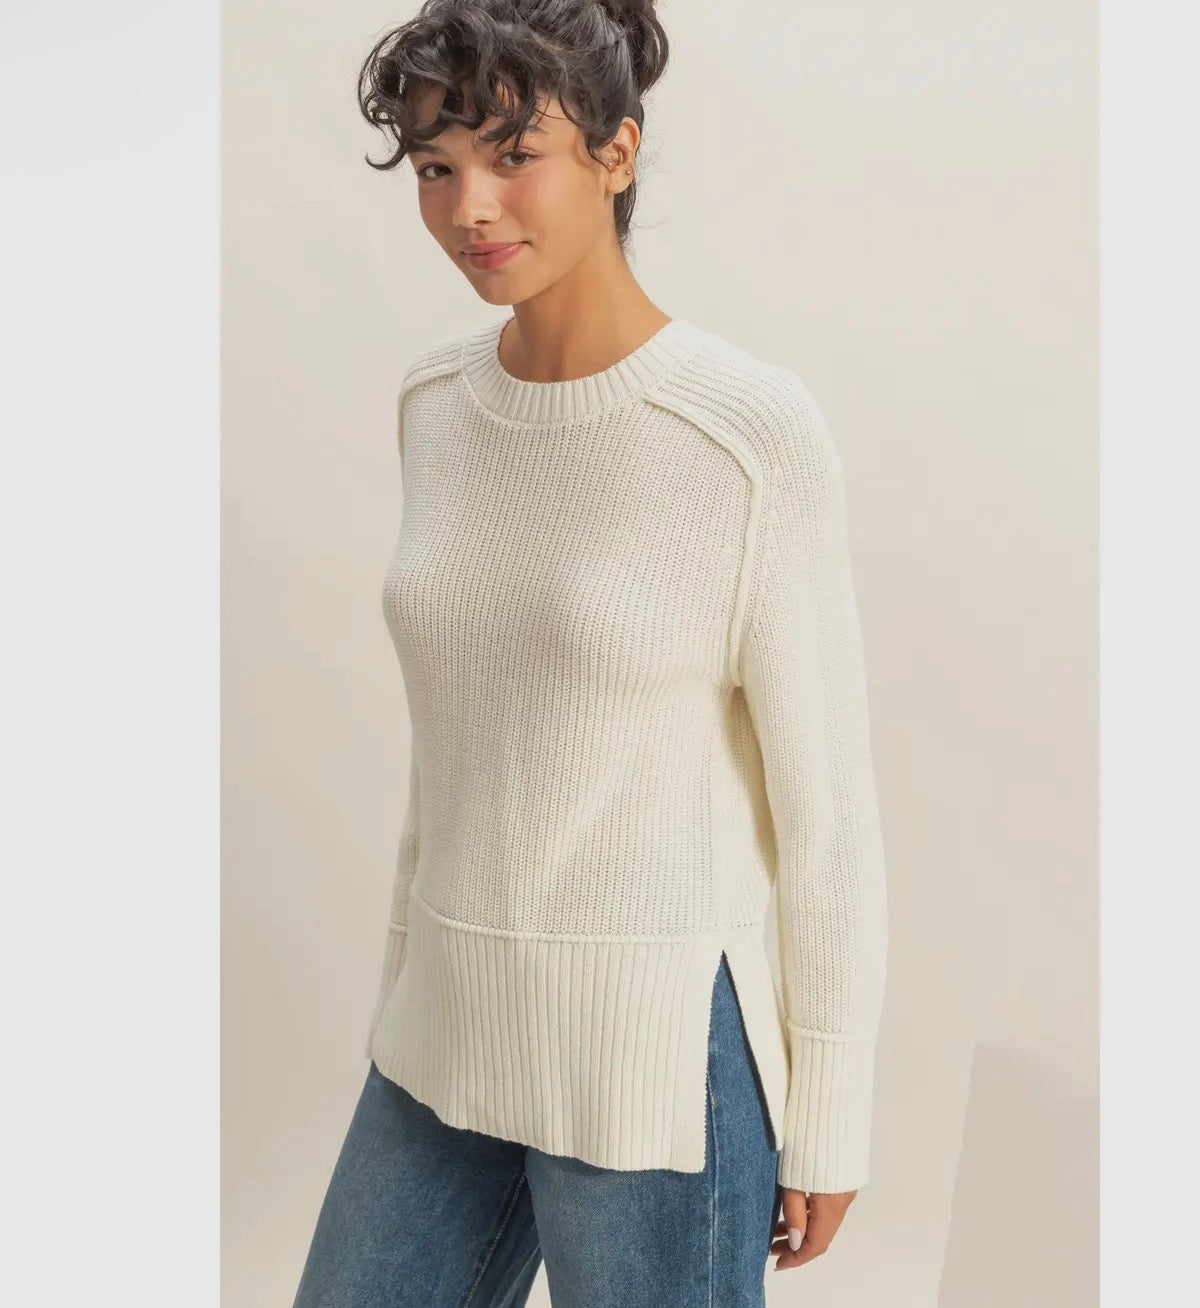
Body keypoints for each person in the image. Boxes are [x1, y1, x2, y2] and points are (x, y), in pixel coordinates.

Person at [292, 1, 889, 1303]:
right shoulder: (436, 404)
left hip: (651, 1068)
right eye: (437, 166)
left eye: (515, 155)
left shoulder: (745, 434)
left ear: (617, 152)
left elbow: (827, 809)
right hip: (445, 1032)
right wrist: (399, 988)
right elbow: (454, 747)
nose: (469, 208)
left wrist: (832, 1108)